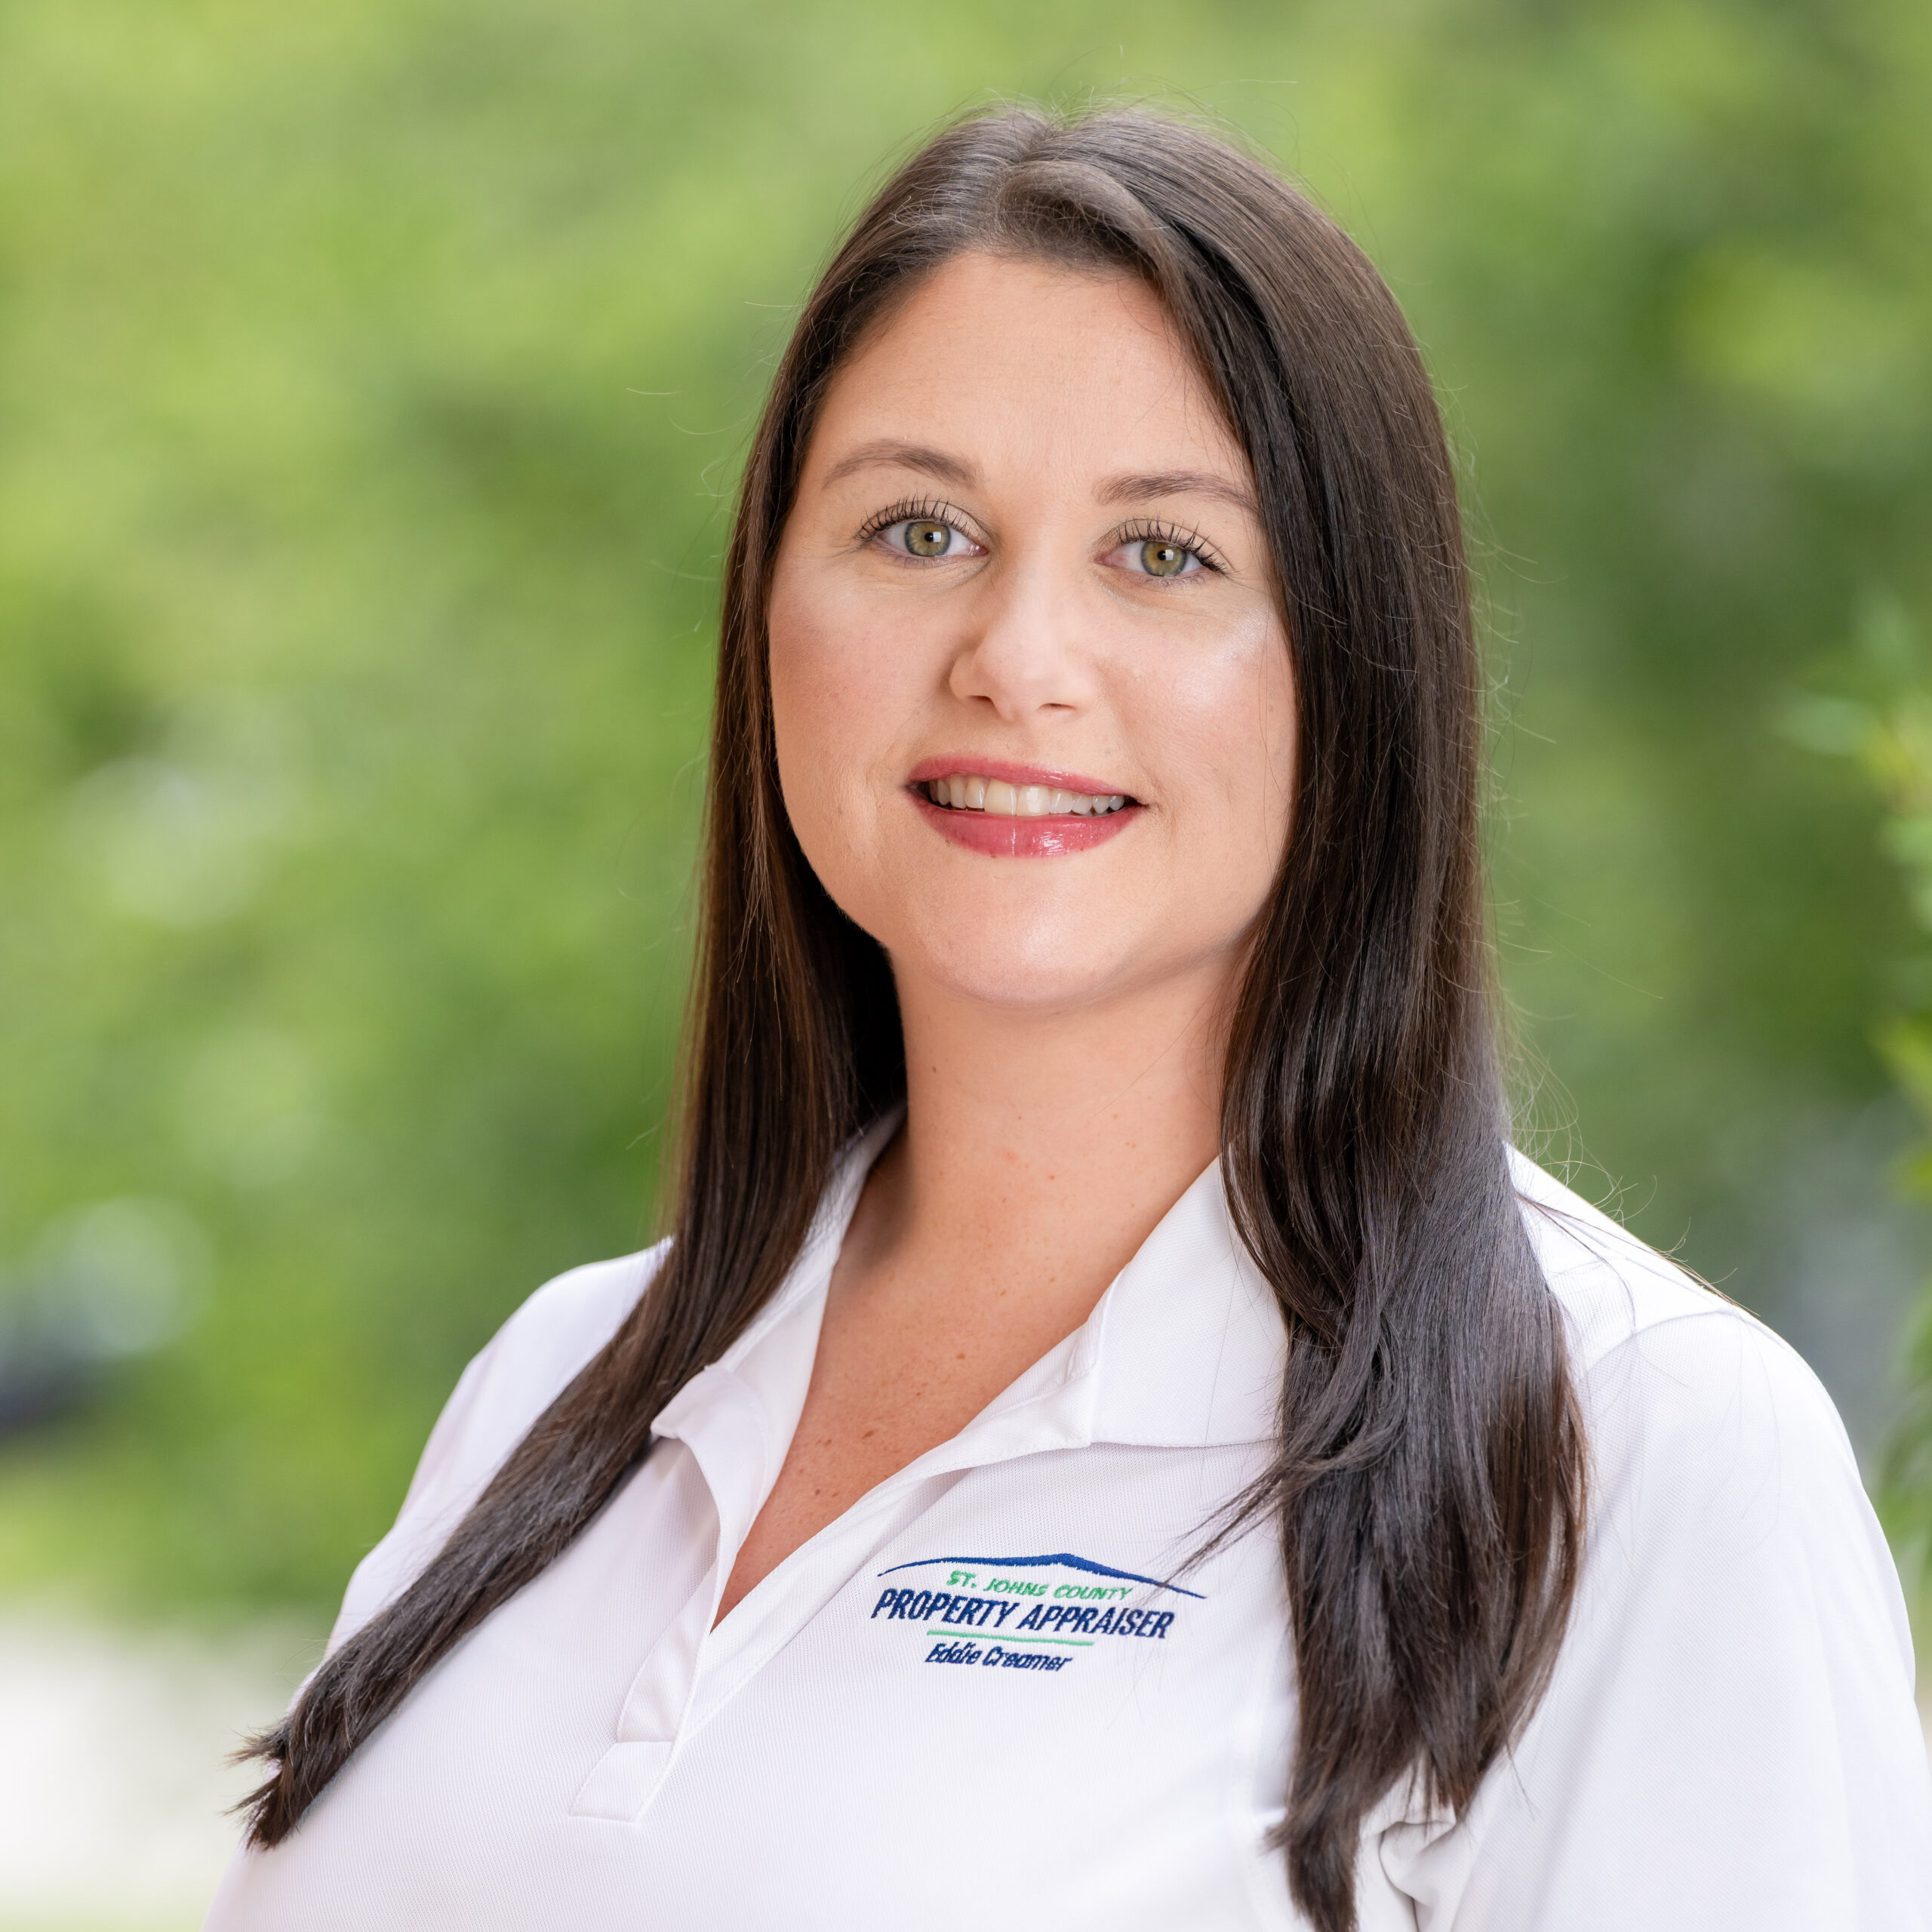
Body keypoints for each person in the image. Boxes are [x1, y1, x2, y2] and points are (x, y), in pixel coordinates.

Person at [203, 108, 1932, 1932]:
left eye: (1165, 555)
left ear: (1351, 666)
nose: (1017, 656)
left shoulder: (1625, 1442)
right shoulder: (556, 1384)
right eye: (917, 527)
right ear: (765, 607)